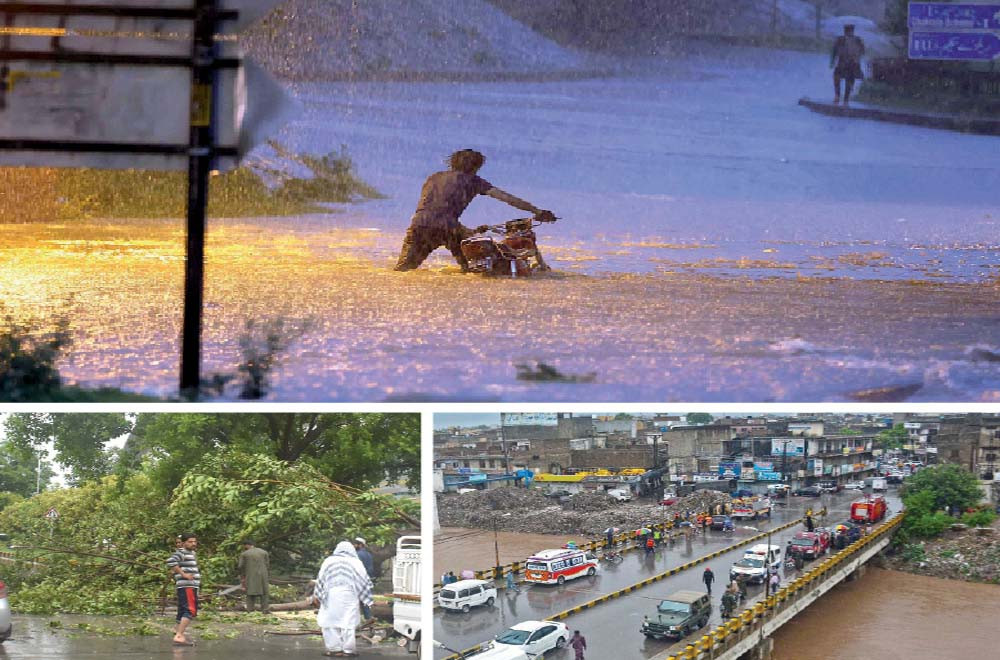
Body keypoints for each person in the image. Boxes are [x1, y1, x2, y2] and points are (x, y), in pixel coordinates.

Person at [394, 149, 555, 271]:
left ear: (452, 163)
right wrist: (537, 211)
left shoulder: (434, 178)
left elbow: (434, 211)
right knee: (474, 270)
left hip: (418, 226)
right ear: (476, 167)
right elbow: (507, 198)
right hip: (449, 229)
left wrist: (467, 231)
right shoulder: (474, 181)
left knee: (403, 269)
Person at [313, 541, 374, 658]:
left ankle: (334, 649)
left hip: (331, 595)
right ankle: (349, 650)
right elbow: (364, 580)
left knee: (329, 621)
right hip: (350, 595)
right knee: (348, 622)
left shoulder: (329, 561)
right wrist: (365, 597)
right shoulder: (356, 562)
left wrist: (317, 595)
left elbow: (321, 578)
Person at [166, 534, 201, 646]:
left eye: (194, 542)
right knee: (190, 610)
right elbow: (171, 562)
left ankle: (177, 630)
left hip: (190, 586)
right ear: (184, 542)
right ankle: (179, 635)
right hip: (187, 586)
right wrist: (183, 574)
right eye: (190, 542)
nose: (193, 544)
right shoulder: (181, 552)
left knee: (182, 610)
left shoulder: (191, 553)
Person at [830, 24, 865, 105]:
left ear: (844, 31)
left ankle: (837, 96)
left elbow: (834, 51)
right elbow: (863, 52)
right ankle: (846, 100)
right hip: (854, 64)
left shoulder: (840, 39)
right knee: (849, 81)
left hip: (842, 63)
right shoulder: (858, 40)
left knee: (836, 78)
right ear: (853, 31)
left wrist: (832, 62)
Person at [238, 539, 270, 613]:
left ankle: (250, 610)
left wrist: (242, 576)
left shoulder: (245, 554)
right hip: (263, 575)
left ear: (246, 545)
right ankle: (265, 610)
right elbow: (267, 565)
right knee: (264, 592)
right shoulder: (264, 552)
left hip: (250, 576)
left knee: (250, 592)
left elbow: (240, 566)